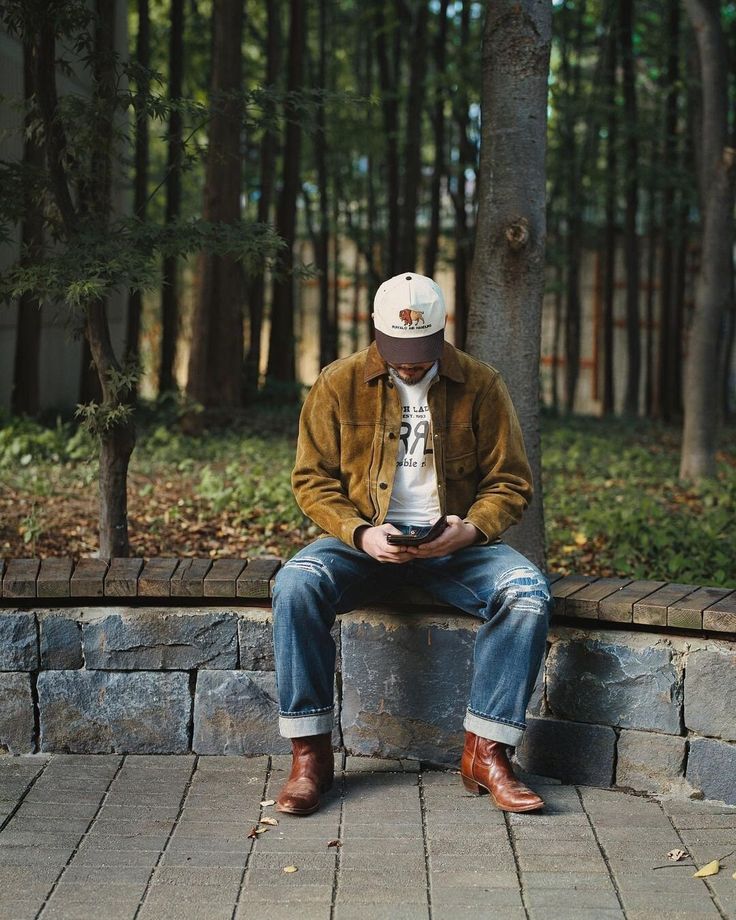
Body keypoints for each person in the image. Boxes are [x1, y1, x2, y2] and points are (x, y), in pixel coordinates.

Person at [272, 271, 551, 816]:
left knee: (525, 594)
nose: (409, 362)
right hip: (362, 542)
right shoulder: (338, 383)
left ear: (442, 333)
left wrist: (469, 530)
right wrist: (361, 532)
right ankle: (310, 757)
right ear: (374, 331)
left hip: (457, 547)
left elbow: (511, 483)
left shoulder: (481, 384)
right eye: (397, 350)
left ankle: (487, 751)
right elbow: (311, 480)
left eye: (421, 350)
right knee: (295, 585)